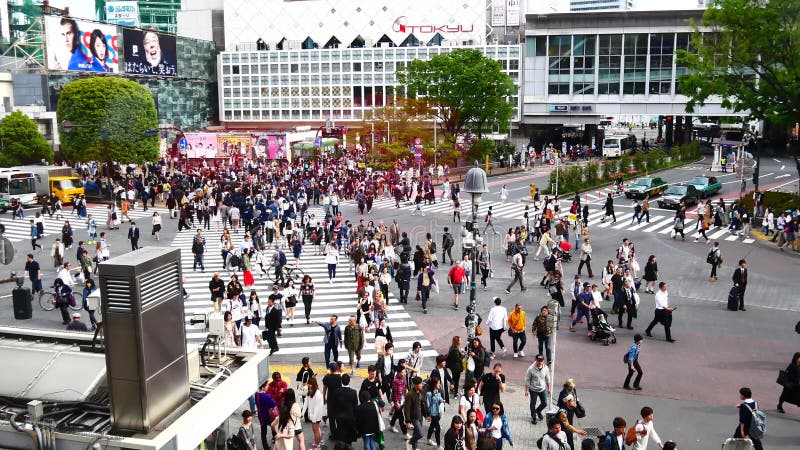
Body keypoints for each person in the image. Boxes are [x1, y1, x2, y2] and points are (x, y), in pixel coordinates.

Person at [524, 354, 551, 424]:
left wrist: (549, 388)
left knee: (544, 403)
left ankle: (538, 411)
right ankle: (533, 417)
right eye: (538, 361)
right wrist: (526, 390)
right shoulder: (530, 369)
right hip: (533, 389)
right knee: (533, 404)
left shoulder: (545, 368)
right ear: (535, 360)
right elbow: (527, 380)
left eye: (541, 361)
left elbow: (547, 378)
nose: (540, 362)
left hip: (542, 389)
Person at [404, 376, 428, 450]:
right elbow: (406, 409)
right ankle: (410, 442)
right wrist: (407, 421)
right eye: (420, 384)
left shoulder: (422, 392)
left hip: (420, 415)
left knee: (416, 432)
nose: (422, 385)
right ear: (415, 385)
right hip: (414, 417)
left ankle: (414, 447)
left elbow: (424, 404)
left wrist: (427, 415)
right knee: (420, 434)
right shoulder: (410, 394)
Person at [301, 377, 324, 449]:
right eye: (308, 384)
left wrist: (314, 419)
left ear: (314, 384)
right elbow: (306, 403)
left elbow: (318, 407)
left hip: (316, 416)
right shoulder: (310, 391)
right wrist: (302, 413)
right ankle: (319, 441)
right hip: (313, 414)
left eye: (310, 384)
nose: (308, 385)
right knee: (317, 429)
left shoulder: (318, 394)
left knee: (315, 430)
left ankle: (317, 446)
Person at [255, 381, 278, 450]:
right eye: (266, 385)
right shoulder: (266, 396)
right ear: (263, 387)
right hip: (268, 415)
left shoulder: (256, 394)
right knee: (273, 426)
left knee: (263, 432)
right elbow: (273, 404)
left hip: (261, 416)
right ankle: (274, 438)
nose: (268, 386)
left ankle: (266, 447)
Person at [426, 376, 445, 448]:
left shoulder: (437, 391)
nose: (439, 385)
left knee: (432, 426)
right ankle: (438, 445)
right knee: (437, 428)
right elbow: (427, 405)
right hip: (433, 414)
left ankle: (428, 439)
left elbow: (440, 398)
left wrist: (441, 400)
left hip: (438, 412)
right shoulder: (429, 394)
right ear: (434, 384)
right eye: (438, 383)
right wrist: (429, 415)